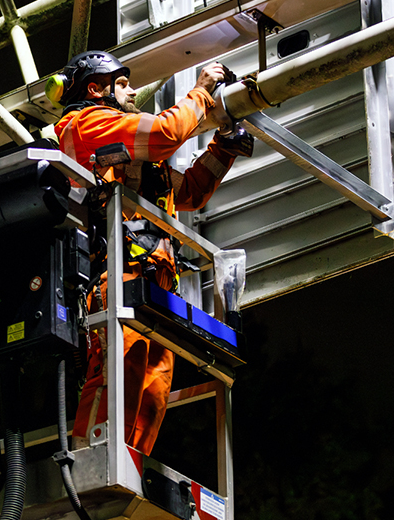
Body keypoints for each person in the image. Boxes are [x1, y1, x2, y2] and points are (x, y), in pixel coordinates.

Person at [52, 50, 252, 455]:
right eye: (122, 84)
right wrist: (202, 91)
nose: (133, 90)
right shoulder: (83, 124)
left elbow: (189, 192)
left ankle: (130, 466)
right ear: (96, 88)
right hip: (116, 275)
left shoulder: (131, 153)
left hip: (157, 290)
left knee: (153, 393)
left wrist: (225, 145)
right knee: (116, 379)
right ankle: (93, 468)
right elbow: (165, 134)